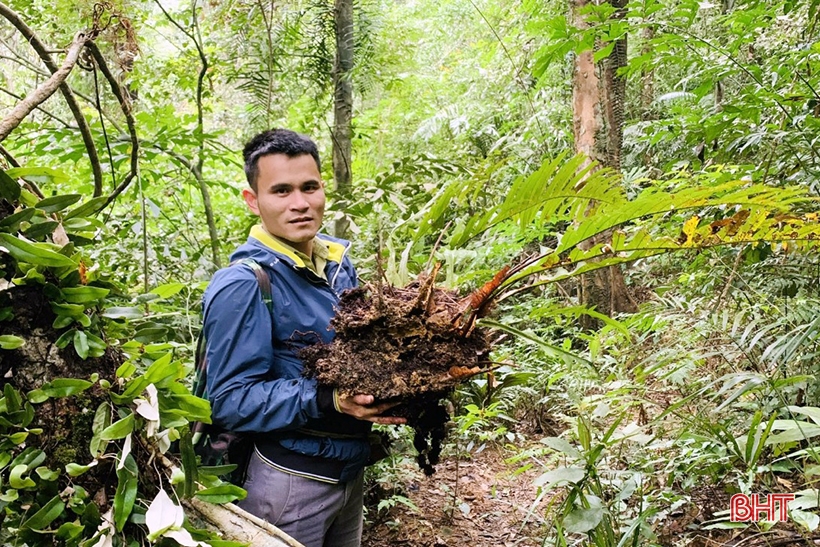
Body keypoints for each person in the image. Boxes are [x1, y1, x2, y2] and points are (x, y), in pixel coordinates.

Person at [202, 128, 404, 547]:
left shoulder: (335, 263)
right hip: (290, 480)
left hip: (349, 471)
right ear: (253, 201)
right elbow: (228, 401)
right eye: (281, 191)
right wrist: (328, 399)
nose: (300, 203)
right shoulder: (244, 284)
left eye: (309, 187)